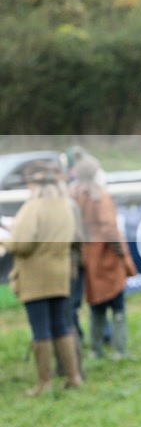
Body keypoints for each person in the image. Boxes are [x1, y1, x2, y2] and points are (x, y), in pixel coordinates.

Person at [1, 161, 82, 396]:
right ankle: (73, 376)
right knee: (61, 326)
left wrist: (5, 240)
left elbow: (23, 245)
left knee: (40, 330)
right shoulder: (65, 205)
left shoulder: (33, 207)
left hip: (36, 277)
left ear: (34, 185)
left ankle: (44, 383)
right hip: (60, 274)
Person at [71, 154, 135, 360]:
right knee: (117, 304)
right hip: (106, 255)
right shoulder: (100, 196)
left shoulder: (74, 196)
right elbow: (109, 229)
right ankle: (121, 350)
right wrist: (121, 253)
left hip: (87, 255)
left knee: (96, 303)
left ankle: (96, 350)